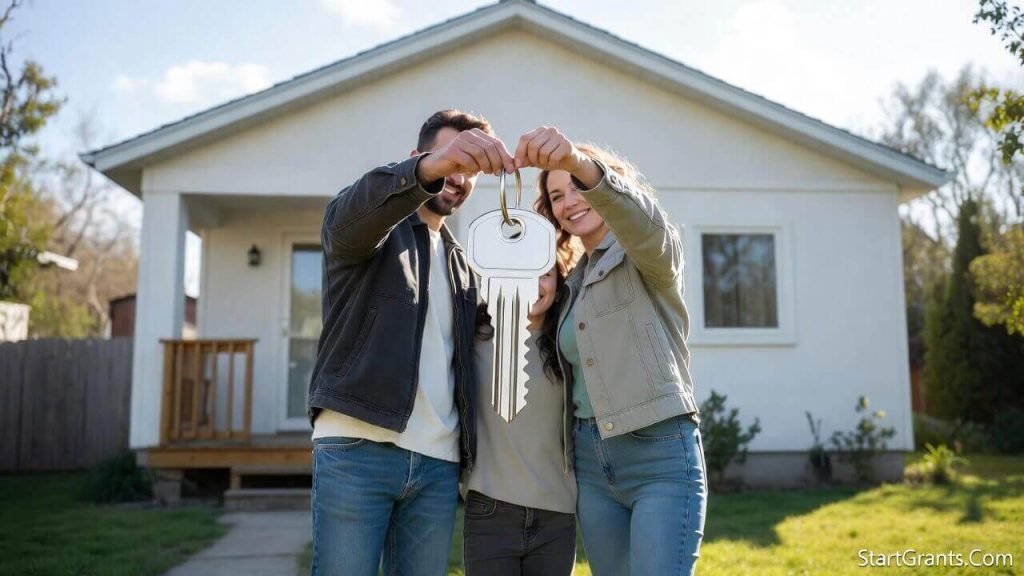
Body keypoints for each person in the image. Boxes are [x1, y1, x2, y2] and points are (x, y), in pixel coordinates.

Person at [307, 109, 515, 576]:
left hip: (437, 465)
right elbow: (348, 217)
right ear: (416, 157)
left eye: (469, 169)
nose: (458, 177)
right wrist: (430, 168)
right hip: (357, 448)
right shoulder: (371, 231)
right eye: (449, 160)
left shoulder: (463, 266)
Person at [519, 126, 708, 576]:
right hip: (591, 463)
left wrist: (579, 163)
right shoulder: (571, 284)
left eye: (578, 186)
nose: (571, 201)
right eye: (558, 195)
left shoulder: (648, 253)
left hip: (658, 451)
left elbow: (640, 219)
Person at [463, 265, 577, 576]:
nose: (533, 284)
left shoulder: (568, 347)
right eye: (522, 272)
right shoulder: (473, 336)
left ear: (558, 285)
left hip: (556, 515)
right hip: (490, 512)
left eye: (543, 274)